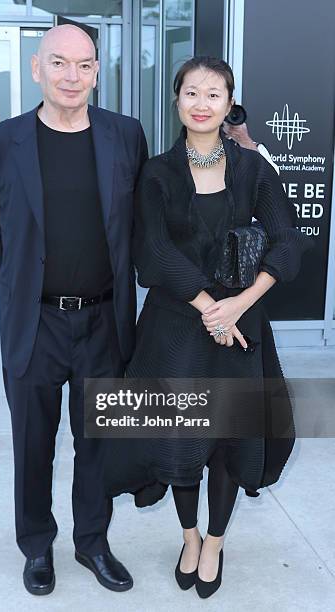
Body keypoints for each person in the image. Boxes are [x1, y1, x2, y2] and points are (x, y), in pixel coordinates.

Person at [103, 56, 312, 598]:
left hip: (241, 331)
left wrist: (240, 303)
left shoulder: (254, 169)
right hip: (177, 328)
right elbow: (151, 252)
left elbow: (287, 243)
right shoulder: (158, 172)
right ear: (177, 100)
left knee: (229, 442)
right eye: (191, 93)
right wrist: (209, 307)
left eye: (213, 94)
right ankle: (190, 536)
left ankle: (215, 541)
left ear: (228, 102)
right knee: (182, 439)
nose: (201, 104)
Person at [0, 24, 148, 596]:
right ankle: (37, 547)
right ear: (36, 69)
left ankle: (92, 543)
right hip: (35, 322)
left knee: (97, 440)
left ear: (98, 71)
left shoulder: (126, 136)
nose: (72, 76)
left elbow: (143, 220)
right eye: (59, 63)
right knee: (33, 442)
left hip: (104, 319)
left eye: (84, 64)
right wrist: (23, 284)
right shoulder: (1, 143)